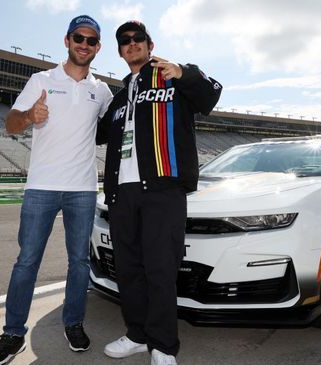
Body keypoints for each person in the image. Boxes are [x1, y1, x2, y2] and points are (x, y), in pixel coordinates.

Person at [0, 14, 112, 365]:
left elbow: (112, 130)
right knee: (26, 262)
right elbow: (10, 124)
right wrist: (29, 117)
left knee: (79, 263)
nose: (84, 44)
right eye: (78, 38)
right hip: (41, 187)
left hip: (83, 190)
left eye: (91, 40)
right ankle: (12, 333)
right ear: (67, 40)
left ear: (97, 47)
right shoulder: (40, 79)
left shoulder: (101, 91)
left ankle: (73, 323)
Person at [97, 20, 221, 365]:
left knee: (161, 270)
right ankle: (137, 335)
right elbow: (96, 134)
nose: (132, 44)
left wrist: (184, 73)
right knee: (129, 269)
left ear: (150, 44)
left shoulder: (172, 77)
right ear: (120, 50)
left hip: (163, 191)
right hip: (122, 194)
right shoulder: (120, 96)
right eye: (125, 41)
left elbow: (211, 95)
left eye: (138, 39)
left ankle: (164, 346)